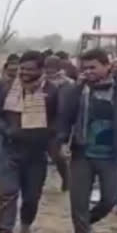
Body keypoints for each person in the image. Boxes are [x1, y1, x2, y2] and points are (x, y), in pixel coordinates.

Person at [58, 48, 117, 233]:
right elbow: (64, 117)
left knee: (110, 198)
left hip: (110, 156)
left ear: (107, 66)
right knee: (78, 199)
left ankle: (86, 222)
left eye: (93, 67)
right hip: (82, 153)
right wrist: (62, 141)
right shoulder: (77, 91)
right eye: (85, 68)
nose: (89, 71)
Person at [0, 51, 61, 233]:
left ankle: (26, 223)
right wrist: (7, 131)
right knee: (8, 191)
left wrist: (47, 137)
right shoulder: (8, 88)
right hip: (10, 148)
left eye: (30, 69)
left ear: (41, 70)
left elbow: (58, 120)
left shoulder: (52, 92)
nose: (25, 73)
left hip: (37, 152)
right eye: (22, 68)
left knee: (31, 196)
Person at [44, 55, 73, 191]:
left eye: (52, 67)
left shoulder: (67, 83)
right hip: (41, 121)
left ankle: (66, 179)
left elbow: (67, 107)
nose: (49, 70)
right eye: (47, 66)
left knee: (56, 154)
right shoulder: (40, 82)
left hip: (58, 124)